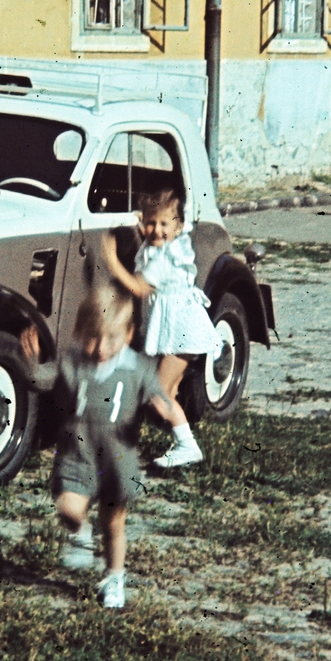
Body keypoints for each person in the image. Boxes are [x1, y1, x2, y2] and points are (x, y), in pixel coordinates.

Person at [20, 282, 178, 609]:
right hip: (78, 452)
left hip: (119, 458)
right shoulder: (72, 362)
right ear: (80, 331)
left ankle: (114, 578)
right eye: (92, 337)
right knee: (68, 508)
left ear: (129, 334)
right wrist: (32, 364)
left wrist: (162, 410)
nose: (101, 348)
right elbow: (42, 381)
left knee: (114, 523)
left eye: (112, 339)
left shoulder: (138, 368)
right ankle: (80, 530)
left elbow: (159, 397)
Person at [97, 189, 224, 468]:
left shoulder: (166, 258)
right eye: (151, 223)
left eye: (164, 224)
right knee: (169, 388)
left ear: (179, 227)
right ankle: (175, 433)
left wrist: (111, 260)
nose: (156, 230)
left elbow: (140, 288)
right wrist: (139, 223)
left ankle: (187, 446)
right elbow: (151, 238)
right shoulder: (165, 246)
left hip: (183, 329)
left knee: (158, 392)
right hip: (180, 326)